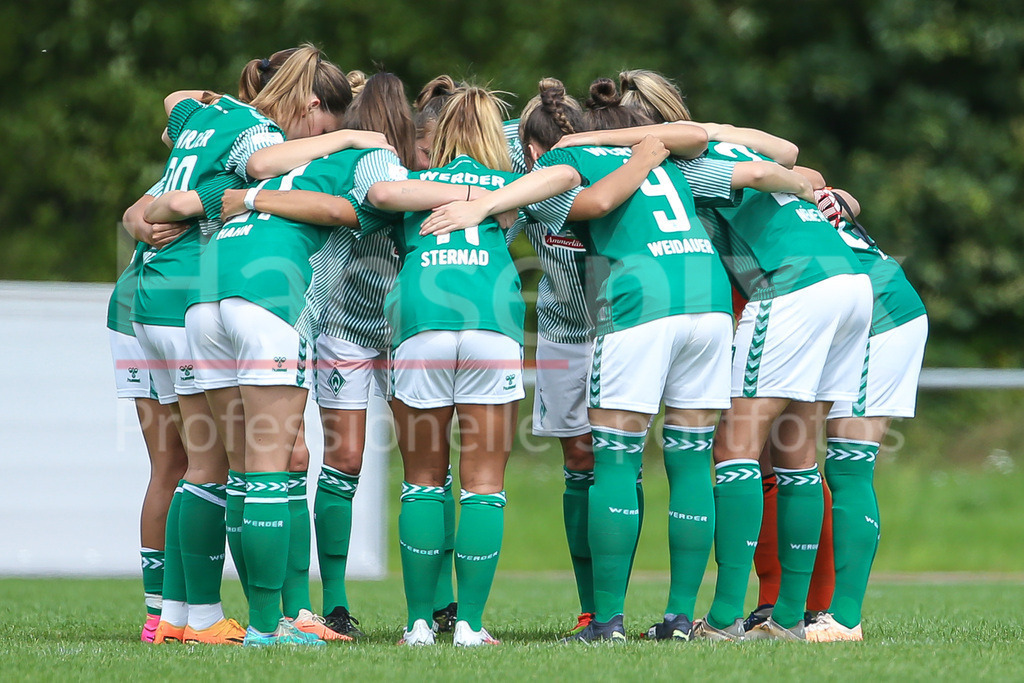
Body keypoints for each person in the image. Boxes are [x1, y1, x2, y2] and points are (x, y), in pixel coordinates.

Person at [536, 79, 818, 642]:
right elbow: (700, 139)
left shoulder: (564, 165)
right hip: (709, 301)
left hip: (641, 302)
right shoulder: (672, 162)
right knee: (690, 461)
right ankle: (681, 619)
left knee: (615, 460)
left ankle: (606, 622)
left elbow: (583, 204)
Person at [362, 85, 610, 647]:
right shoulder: (513, 187)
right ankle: (471, 624)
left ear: (438, 134)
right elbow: (569, 179)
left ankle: (419, 624)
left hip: (421, 320)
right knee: (484, 485)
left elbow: (377, 193)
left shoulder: (413, 184)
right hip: (492, 325)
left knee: (423, 481)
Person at [132, 44, 362, 647]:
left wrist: (202, 108)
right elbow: (265, 167)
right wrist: (343, 144)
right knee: (238, 466)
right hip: (224, 294)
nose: (319, 137)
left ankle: (182, 616)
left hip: (175, 298)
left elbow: (160, 193)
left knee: (205, 466)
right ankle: (252, 624)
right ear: (311, 104)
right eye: (323, 124)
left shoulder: (210, 118)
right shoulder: (253, 133)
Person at [801, 189, 928, 642]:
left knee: (848, 466)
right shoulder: (779, 176)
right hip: (859, 312)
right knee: (825, 464)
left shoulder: (727, 184)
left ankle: (845, 619)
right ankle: (814, 610)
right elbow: (847, 199)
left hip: (880, 315)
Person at [110, 186, 188, 642]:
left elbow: (132, 214)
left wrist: (141, 225)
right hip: (149, 310)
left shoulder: (193, 153)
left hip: (140, 306)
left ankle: (164, 610)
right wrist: (144, 228)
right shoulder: (237, 153)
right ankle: (164, 612)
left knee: (175, 466)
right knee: (177, 466)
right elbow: (133, 216)